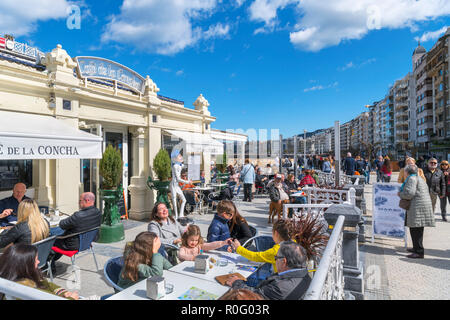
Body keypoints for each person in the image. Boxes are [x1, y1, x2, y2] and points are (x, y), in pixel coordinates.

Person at [225, 241, 311, 300]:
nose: (275, 260)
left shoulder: (280, 287)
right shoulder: (305, 276)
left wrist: (236, 282)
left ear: (284, 262)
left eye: (276, 258)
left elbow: (255, 296)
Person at [0, 244, 80, 300]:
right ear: (25, 265)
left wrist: (63, 293)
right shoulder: (25, 290)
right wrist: (71, 298)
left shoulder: (19, 277)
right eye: (35, 260)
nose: (38, 262)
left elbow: (48, 284)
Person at [49, 192, 101, 272]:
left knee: (49, 236)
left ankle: (50, 266)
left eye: (80, 201)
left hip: (71, 245)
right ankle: (53, 259)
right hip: (86, 242)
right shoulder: (97, 212)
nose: (79, 203)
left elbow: (62, 224)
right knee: (57, 232)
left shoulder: (78, 216)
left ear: (87, 200)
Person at [398, 164, 435, 259]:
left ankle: (419, 252)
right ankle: (416, 248)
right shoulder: (418, 178)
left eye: (405, 171)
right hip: (420, 206)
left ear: (407, 172)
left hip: (417, 207)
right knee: (416, 228)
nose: (404, 173)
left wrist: (400, 194)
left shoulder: (411, 179)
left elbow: (409, 194)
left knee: (416, 230)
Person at [170, 150, 192, 219]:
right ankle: (176, 216)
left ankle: (181, 214)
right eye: (179, 156)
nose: (181, 157)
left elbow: (183, 165)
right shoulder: (175, 166)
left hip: (177, 185)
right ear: (175, 158)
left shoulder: (179, 165)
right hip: (173, 185)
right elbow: (178, 179)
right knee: (174, 200)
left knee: (184, 200)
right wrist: (188, 182)